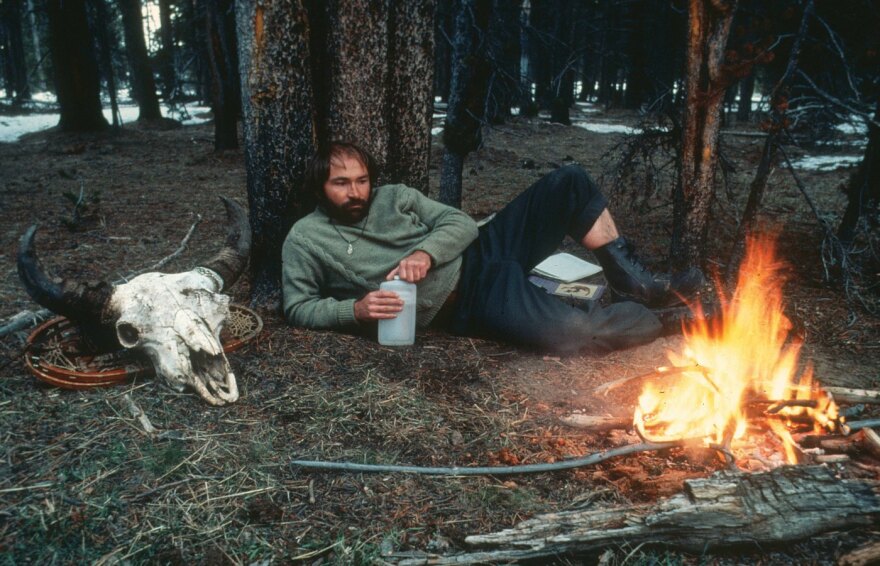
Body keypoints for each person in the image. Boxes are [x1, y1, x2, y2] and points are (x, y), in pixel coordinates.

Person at [282, 142, 704, 354]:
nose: (356, 192)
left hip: (483, 248)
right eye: (341, 183)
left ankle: (632, 281)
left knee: (569, 181)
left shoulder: (395, 196)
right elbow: (298, 306)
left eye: (361, 180)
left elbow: (459, 222)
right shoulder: (306, 238)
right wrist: (352, 310)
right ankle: (666, 321)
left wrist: (424, 253)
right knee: (576, 334)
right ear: (320, 187)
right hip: (471, 300)